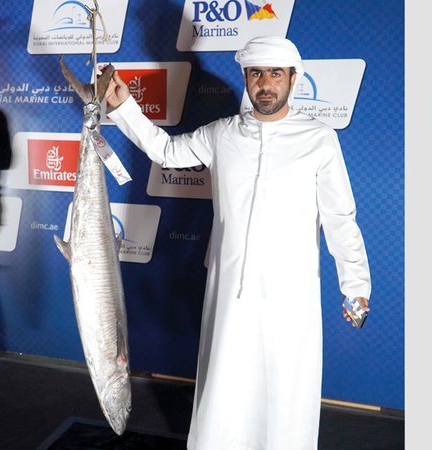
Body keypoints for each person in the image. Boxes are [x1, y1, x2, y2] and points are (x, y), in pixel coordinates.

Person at [100, 36, 371, 450]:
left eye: (275, 74)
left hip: (292, 295)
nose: (265, 83)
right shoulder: (221, 134)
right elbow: (167, 151)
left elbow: (340, 217)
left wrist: (356, 285)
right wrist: (123, 106)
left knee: (286, 392)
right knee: (224, 389)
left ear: (293, 80)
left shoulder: (319, 139)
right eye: (256, 73)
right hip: (230, 292)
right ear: (245, 78)